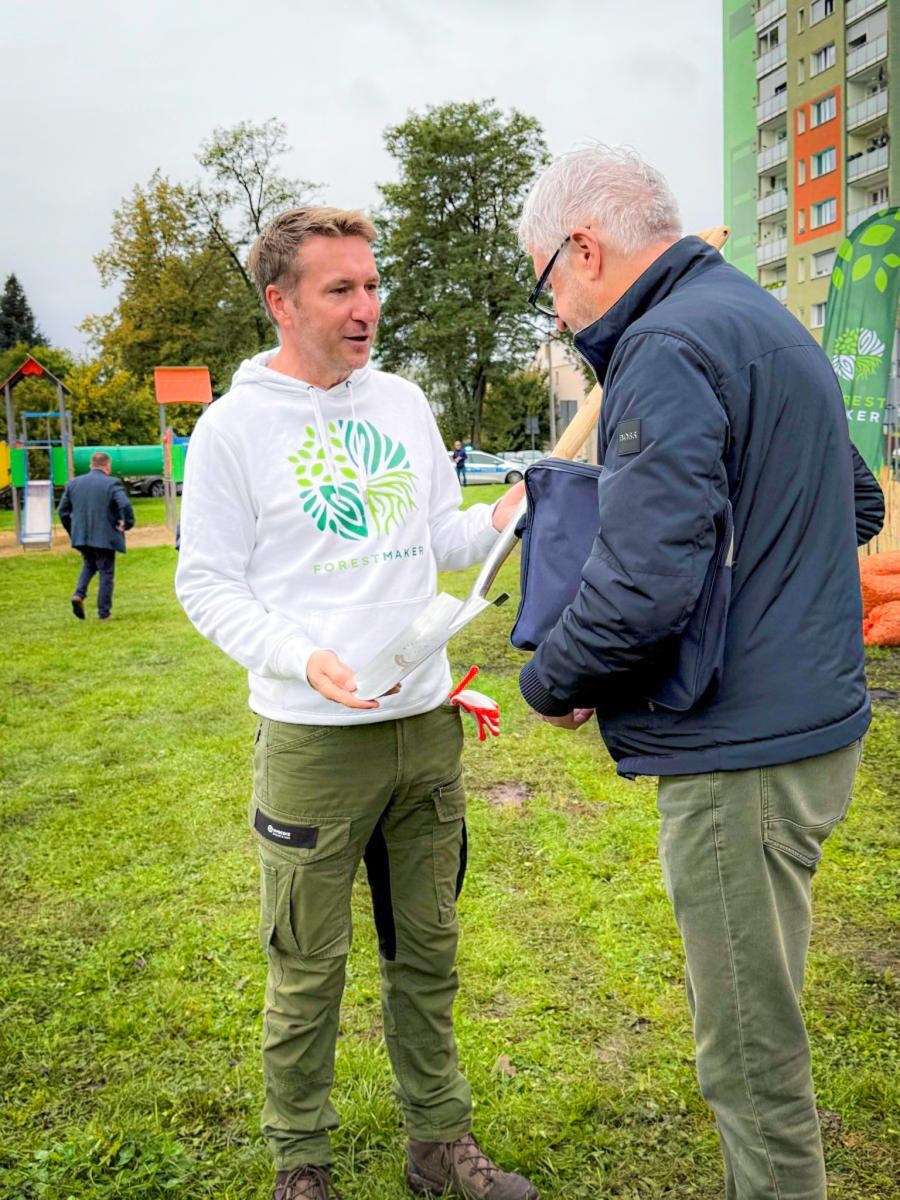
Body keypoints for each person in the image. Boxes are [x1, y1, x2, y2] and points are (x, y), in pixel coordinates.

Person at [515, 146, 883, 1200]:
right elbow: (854, 503)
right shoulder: (762, 319)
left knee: (749, 1059)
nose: (558, 314)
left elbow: (641, 585)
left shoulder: (666, 343)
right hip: (811, 730)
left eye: (548, 285)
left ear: (585, 249)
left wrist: (552, 680)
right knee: (763, 1002)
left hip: (741, 756)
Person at [175, 207, 535, 1200]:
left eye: (372, 286)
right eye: (341, 289)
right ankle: (301, 1162)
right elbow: (205, 583)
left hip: (424, 727)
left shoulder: (404, 403)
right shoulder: (232, 430)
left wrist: (501, 518)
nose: (366, 307)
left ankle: (439, 1144)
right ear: (281, 301)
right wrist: (301, 657)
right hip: (314, 746)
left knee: (428, 952)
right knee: (307, 969)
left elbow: (438, 538)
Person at [57, 450, 135, 621]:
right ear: (108, 466)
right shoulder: (112, 483)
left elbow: (62, 511)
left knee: (90, 563)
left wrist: (72, 530)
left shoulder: (73, 483)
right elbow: (125, 504)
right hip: (104, 536)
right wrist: (127, 523)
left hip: (81, 535)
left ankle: (79, 594)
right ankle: (104, 613)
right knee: (106, 572)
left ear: (91, 465)